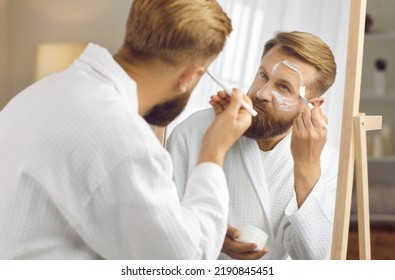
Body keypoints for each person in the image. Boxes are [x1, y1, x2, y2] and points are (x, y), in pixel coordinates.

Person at [0, 0, 254, 260]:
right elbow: (183, 261)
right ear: (188, 77)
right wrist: (214, 151)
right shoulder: (123, 138)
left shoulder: (45, 90)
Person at [167, 31, 338, 260]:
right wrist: (211, 238)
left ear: (313, 105)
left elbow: (316, 258)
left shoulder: (325, 161)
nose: (262, 93)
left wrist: (306, 166)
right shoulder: (193, 131)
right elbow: (163, 227)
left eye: (284, 87)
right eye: (263, 75)